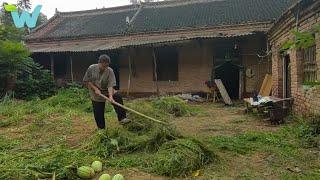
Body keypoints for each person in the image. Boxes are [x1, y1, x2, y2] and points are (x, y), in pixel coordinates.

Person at [83, 54, 130, 129]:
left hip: (106, 90)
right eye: (103, 66)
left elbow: (110, 85)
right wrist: (95, 89)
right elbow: (87, 81)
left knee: (117, 96)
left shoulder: (110, 71)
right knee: (98, 111)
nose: (105, 68)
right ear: (99, 63)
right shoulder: (91, 68)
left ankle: (122, 118)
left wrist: (111, 96)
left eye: (107, 66)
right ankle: (101, 129)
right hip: (95, 91)